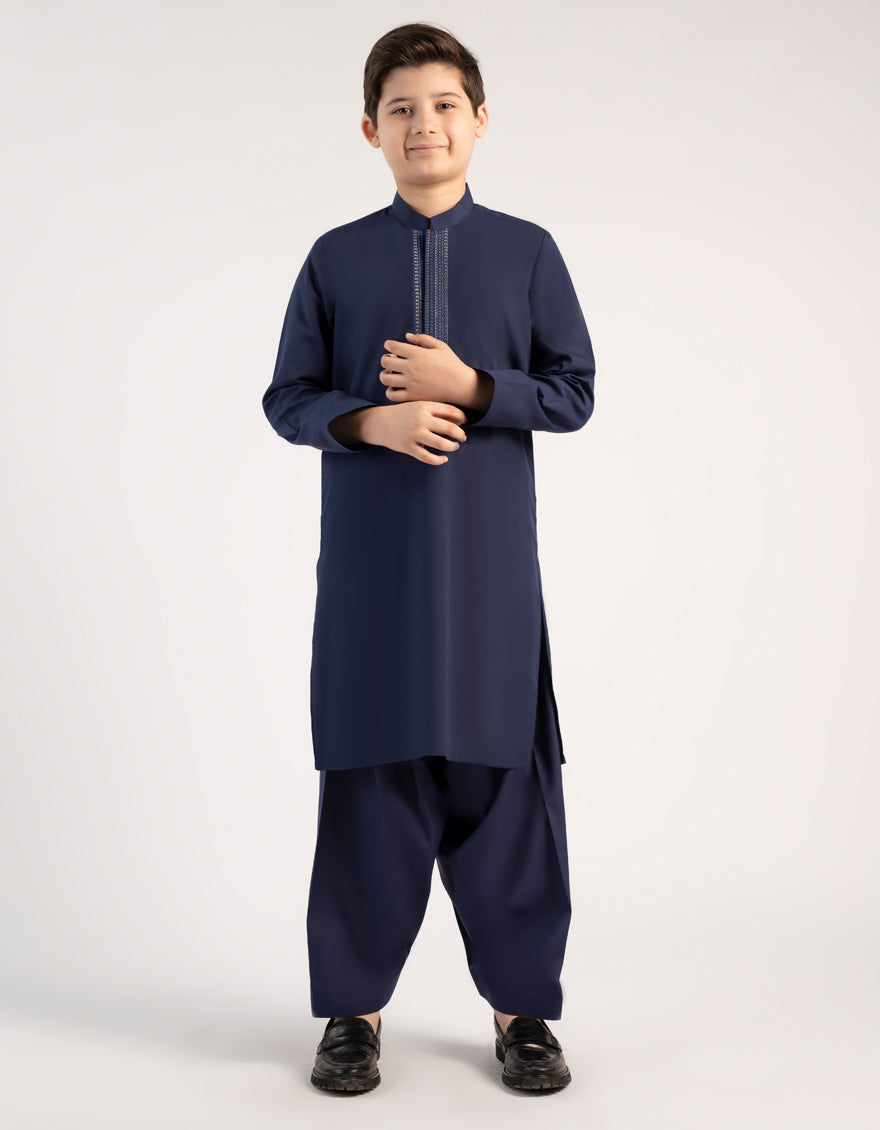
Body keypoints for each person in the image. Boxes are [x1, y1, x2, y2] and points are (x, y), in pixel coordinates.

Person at [262, 22, 596, 1095]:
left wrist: (472, 387)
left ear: (480, 119)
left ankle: (523, 1013)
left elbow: (575, 391)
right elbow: (288, 398)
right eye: (401, 109)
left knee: (508, 788)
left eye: (444, 104)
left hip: (489, 582)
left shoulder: (527, 252)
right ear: (371, 130)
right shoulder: (335, 257)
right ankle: (352, 1016)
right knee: (370, 788)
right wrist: (374, 422)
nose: (424, 125)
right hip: (376, 583)